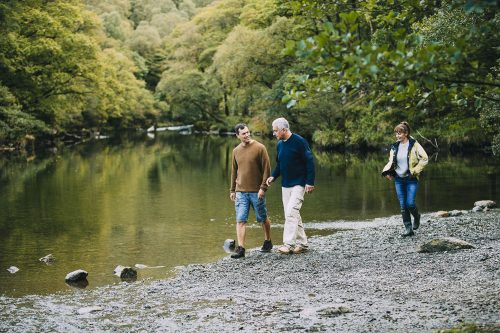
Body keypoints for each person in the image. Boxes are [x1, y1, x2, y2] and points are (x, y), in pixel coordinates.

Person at [266, 117, 315, 254]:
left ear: (284, 129)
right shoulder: (280, 144)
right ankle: (303, 244)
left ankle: (288, 245)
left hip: (299, 184)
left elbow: (309, 162)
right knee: (293, 214)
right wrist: (273, 176)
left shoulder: (299, 142)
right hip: (285, 185)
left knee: (290, 212)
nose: (274, 133)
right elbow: (280, 164)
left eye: (275, 131)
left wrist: (310, 182)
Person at [229, 123, 272, 258]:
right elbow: (234, 171)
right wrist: (232, 190)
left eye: (248, 132)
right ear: (237, 136)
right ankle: (241, 249)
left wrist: (263, 188)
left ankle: (268, 241)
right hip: (241, 191)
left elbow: (267, 170)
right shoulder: (236, 151)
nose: (247, 135)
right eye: (243, 134)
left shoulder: (260, 148)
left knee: (262, 218)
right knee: (240, 220)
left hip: (256, 191)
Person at [381, 121, 429, 237]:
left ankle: (417, 217)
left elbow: (425, 158)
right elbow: (391, 161)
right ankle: (408, 229)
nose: (397, 135)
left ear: (406, 133)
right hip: (398, 179)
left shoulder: (414, 144)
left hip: (411, 179)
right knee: (403, 205)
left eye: (400, 133)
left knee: (410, 204)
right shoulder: (394, 146)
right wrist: (387, 172)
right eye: (396, 133)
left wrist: (415, 171)